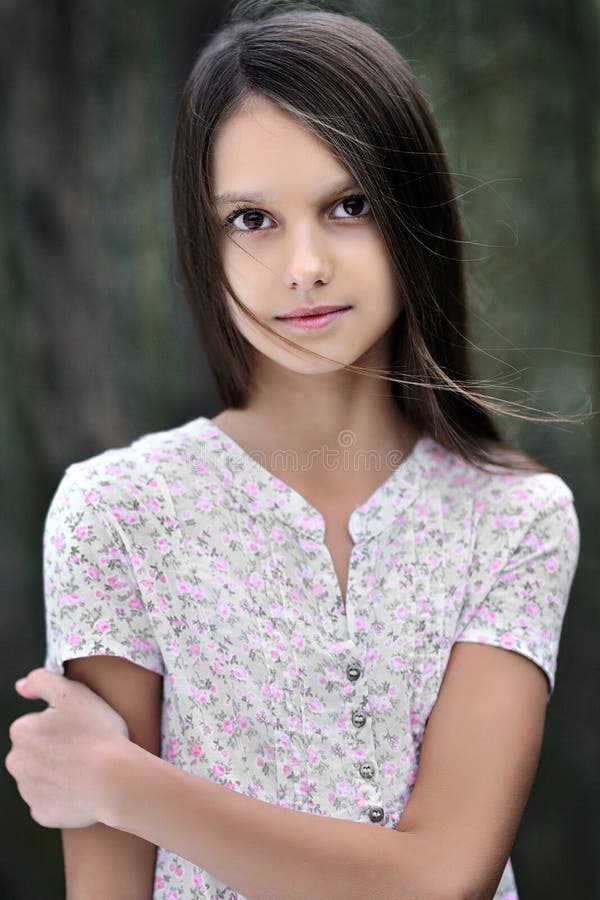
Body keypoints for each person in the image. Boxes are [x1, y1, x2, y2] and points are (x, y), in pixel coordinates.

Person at [6, 2, 581, 899]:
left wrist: (118, 781)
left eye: (347, 204)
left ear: (411, 211)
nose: (304, 263)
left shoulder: (513, 517)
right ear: (206, 239)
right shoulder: (115, 513)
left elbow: (442, 877)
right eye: (252, 219)